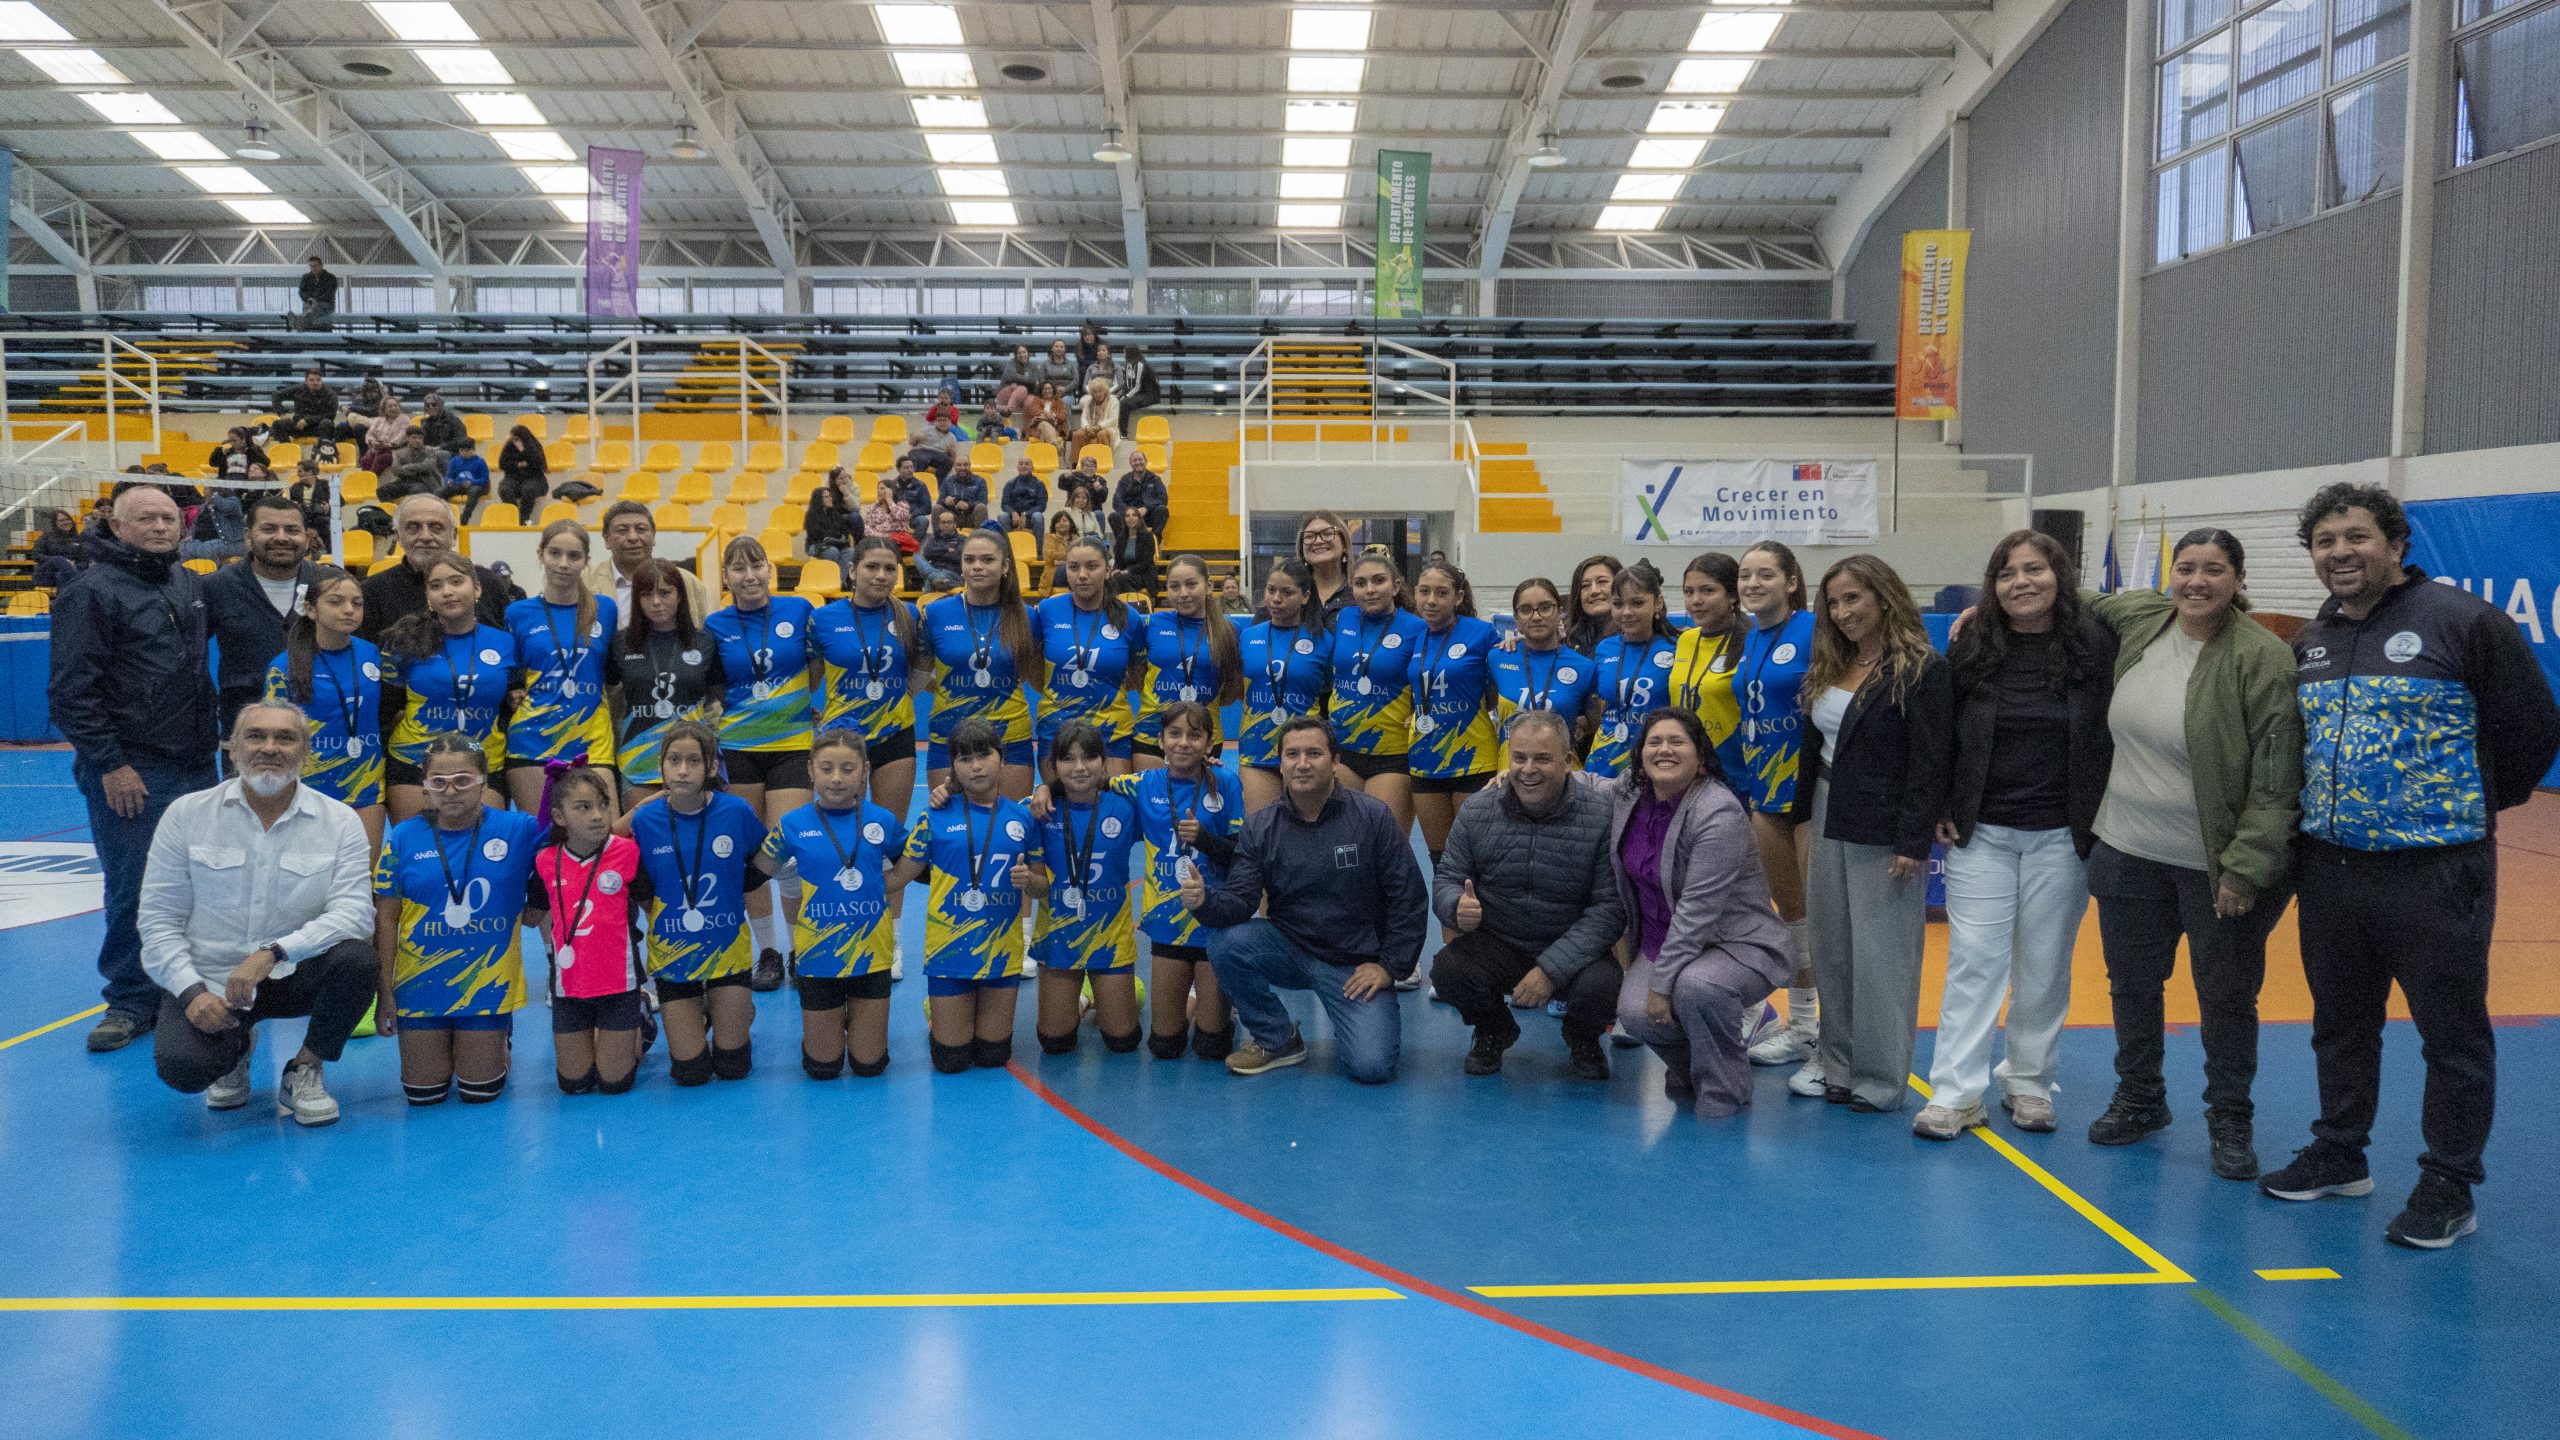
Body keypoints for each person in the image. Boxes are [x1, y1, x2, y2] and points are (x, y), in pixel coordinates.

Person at [2262, 484, 2560, 1248]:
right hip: (2331, 870)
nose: (2340, 553)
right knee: (2340, 1025)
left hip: (2437, 871)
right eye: (2325, 542)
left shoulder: (2463, 622)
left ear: (2396, 544)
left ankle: (2449, 1184)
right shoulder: (2313, 641)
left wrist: (2466, 803)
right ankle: (2339, 1152)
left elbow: (2532, 725)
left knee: (2451, 1035)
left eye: (2356, 537)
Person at [2079, 528, 2300, 1178]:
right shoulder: (2145, 618)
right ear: (2169, 575)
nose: (2196, 582)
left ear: (2237, 579)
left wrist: (2247, 865)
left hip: (2214, 867)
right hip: (2124, 850)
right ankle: (2141, 1097)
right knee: (2133, 984)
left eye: (2213, 570)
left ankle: (2230, 1118)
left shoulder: (2261, 657)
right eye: (2187, 568)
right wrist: (1987, 608)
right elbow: (2077, 598)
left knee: (2227, 995)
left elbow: (2277, 775)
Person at [1915, 531, 2117, 1141]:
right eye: (2006, 573)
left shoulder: (2097, 646)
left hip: (2062, 835)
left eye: (2035, 569)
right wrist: (1944, 804)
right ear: (1992, 586)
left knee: (2046, 963)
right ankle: (1954, 1093)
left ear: (2060, 576)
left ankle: (2029, 1080)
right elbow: (1945, 734)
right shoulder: (1970, 645)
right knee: (1975, 962)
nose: (2021, 582)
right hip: (1983, 833)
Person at [139, 701, 376, 1123]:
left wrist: (273, 952)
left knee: (358, 960)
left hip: (292, 973)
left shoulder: (340, 821)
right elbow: (157, 922)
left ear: (307, 752)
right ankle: (235, 1052)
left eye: (285, 738)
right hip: (212, 979)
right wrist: (191, 993)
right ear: (231, 749)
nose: (269, 747)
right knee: (185, 1068)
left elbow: (355, 913)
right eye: (255, 736)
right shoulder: (185, 815)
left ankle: (305, 1066)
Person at [48, 483, 221, 1052]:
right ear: (115, 527)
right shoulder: (88, 593)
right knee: (135, 886)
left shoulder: (186, 582)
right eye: (144, 518)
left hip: (196, 762)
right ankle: (129, 999)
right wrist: (110, 764)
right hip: (132, 768)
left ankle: (188, 986)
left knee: (200, 883)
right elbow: (72, 693)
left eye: (168, 518)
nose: (158, 527)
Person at [1791, 554, 1952, 1113]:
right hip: (1828, 807)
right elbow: (1815, 747)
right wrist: (1803, 815)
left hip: (1884, 821)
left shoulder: (1922, 669)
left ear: (1884, 596)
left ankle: (1880, 1080)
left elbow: (1931, 762)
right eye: (1833, 603)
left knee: (1883, 956)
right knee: (1831, 947)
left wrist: (1914, 841)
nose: (1843, 612)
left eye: (1853, 598)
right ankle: (1838, 1065)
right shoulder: (1831, 663)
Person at [1184, 715, 1425, 1083]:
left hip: (1353, 965)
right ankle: (1277, 1039)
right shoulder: (1262, 827)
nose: (1302, 763)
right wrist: (1205, 902)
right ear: (1280, 764)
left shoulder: (1372, 817)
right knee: (1227, 944)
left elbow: (1408, 897)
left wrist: (1389, 967)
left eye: (1314, 753)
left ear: (1335, 762)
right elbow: (1241, 901)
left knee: (1371, 1066)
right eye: (1292, 754)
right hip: (1291, 950)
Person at [1611, 708, 1795, 1117]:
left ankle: (1724, 1089)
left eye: (1677, 742)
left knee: (1697, 988)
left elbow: (1697, 912)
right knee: (1633, 1014)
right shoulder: (1630, 790)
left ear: (1700, 757)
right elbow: (1591, 785)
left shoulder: (1717, 811)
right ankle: (1698, 1067)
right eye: (1654, 742)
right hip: (1664, 938)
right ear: (1640, 753)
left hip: (1737, 942)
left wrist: (1661, 986)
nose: (1664, 750)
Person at [1432, 710, 1624, 1080]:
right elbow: (1447, 878)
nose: (1527, 769)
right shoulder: (1477, 810)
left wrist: (1551, 971)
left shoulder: (1601, 816)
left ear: (1568, 761)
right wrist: (1455, 906)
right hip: (1499, 942)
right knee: (1449, 970)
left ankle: (1582, 1036)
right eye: (1519, 758)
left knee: (1605, 988)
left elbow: (1609, 907)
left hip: (1569, 944)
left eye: (1542, 758)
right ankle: (1493, 1029)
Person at [372, 732, 545, 1106]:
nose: (451, 792)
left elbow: (579, 840)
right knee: (423, 1096)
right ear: (425, 786)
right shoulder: (403, 838)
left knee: (479, 1094)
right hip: (420, 986)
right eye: (439, 782)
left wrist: (537, 908)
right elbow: (386, 919)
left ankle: (501, 1033)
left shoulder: (519, 830)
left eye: (463, 780)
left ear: (484, 782)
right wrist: (384, 993)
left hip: (487, 986)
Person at [888, 718, 1041, 1072]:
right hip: (948, 953)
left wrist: (1029, 882)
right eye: (964, 758)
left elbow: (1043, 885)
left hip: (1001, 954)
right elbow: (900, 876)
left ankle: (956, 1013)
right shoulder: (935, 816)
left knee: (992, 1058)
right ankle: (940, 1012)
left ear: (1002, 759)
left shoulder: (1024, 817)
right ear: (953, 768)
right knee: (951, 1061)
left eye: (984, 755)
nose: (975, 766)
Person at [705, 535, 822, 991]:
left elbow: (812, 670)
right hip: (737, 749)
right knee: (752, 856)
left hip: (792, 744)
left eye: (757, 565)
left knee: (788, 851)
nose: (749, 575)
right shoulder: (715, 625)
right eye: (738, 568)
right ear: (727, 577)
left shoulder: (799, 611)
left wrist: (795, 707)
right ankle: (769, 951)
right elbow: (714, 690)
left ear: (769, 569)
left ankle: (798, 948)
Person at [624, 721, 770, 1084]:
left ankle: (734, 1008)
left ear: (711, 767)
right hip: (673, 954)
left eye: (693, 761)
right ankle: (686, 1008)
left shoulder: (735, 811)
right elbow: (627, 875)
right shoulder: (644, 819)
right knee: (690, 1074)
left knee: (733, 1068)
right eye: (674, 760)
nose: (683, 770)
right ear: (661, 765)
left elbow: (764, 862)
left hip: (727, 950)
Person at [754, 731, 901, 1079]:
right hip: (818, 956)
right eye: (827, 768)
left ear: (864, 771)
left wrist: (888, 883)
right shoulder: (791, 825)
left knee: (869, 1066)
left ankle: (859, 1022)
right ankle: (830, 1025)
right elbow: (757, 870)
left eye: (848, 768)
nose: (836, 778)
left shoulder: (881, 821)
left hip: (871, 953)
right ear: (810, 771)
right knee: (823, 1067)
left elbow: (916, 860)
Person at [1117, 701, 1245, 1060]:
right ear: (1160, 740)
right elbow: (1086, 783)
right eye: (1174, 734)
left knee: (1211, 1046)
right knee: (1165, 1046)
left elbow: (1240, 855)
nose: (1183, 743)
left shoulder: (1226, 783)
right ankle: (1195, 1002)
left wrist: (1204, 839)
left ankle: (1223, 1010)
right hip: (1167, 925)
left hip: (1213, 921)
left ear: (1209, 744)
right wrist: (1047, 789)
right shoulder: (1143, 783)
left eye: (1194, 735)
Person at [1735, 541, 1820, 1067]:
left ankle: (1829, 1036)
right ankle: (1804, 1025)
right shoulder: (1751, 639)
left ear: (1791, 581)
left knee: (1820, 919)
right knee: (1791, 917)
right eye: (1745, 575)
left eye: (1765, 574)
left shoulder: (1815, 628)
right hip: (1765, 793)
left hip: (1809, 794)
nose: (1752, 583)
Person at [524, 767, 649, 1095]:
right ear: (559, 816)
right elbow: (530, 917)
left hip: (620, 984)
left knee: (614, 1083)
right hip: (570, 986)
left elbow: (653, 906)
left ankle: (642, 1020)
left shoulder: (628, 853)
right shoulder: (545, 861)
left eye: (603, 805)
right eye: (583, 807)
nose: (598, 816)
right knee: (574, 1084)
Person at [1025, 723, 1144, 1054]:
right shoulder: (1039, 809)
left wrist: (1210, 768)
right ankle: (1086, 997)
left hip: (1111, 936)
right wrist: (946, 790)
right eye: (1068, 759)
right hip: (1059, 935)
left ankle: (1125, 990)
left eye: (1089, 757)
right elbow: (989, 805)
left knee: (1123, 1041)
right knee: (1054, 1041)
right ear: (1054, 765)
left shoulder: (1126, 806)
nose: (1079, 767)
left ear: (1104, 762)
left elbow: (1172, 786)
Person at [380, 552, 516, 824]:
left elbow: (513, 700)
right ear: (428, 596)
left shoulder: (506, 642)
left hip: (485, 762)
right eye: (436, 585)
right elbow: (386, 708)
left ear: (476, 588)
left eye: (456, 581)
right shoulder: (405, 642)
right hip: (414, 762)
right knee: (419, 857)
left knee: (481, 856)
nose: (447, 592)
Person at [264, 566, 387, 856]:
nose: (349, 610)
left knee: (360, 879)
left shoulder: (372, 654)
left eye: (357, 603)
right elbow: (271, 734)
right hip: (307, 789)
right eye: (335, 602)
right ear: (310, 608)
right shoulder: (283, 667)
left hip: (365, 784)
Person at [502, 521, 619, 813]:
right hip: (532, 741)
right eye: (555, 553)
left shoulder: (604, 609)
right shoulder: (518, 613)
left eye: (574, 556)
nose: (563, 564)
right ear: (541, 555)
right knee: (542, 843)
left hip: (593, 742)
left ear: (586, 562)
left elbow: (612, 674)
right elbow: (511, 677)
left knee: (604, 839)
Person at [920, 530, 1044, 799]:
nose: (977, 566)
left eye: (987, 560)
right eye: (970, 559)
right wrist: (944, 686)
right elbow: (918, 675)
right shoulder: (936, 613)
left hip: (1010, 736)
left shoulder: (1027, 617)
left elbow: (1035, 678)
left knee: (1008, 828)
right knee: (953, 830)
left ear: (1005, 566)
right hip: (949, 735)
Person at [1406, 560, 1502, 876]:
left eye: (1441, 592)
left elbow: (1500, 686)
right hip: (1425, 760)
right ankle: (1451, 927)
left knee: (1476, 864)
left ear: (1458, 597)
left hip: (1473, 760)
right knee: (1442, 866)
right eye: (1424, 591)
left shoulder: (1482, 633)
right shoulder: (1414, 635)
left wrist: (1513, 646)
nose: (1431, 600)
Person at [1328, 550, 1427, 842]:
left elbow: (1436, 668)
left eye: (1378, 581)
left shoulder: (1417, 627)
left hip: (1392, 752)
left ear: (1395, 586)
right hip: (1343, 748)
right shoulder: (1344, 617)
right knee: (1342, 845)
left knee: (1385, 846)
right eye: (1360, 583)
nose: (1369, 589)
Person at [201, 494, 317, 738]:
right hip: (244, 730)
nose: (281, 538)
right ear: (247, 536)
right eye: (269, 529)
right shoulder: (215, 587)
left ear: (306, 538)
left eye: (292, 530)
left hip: (320, 726)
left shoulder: (330, 584)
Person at [610, 558, 723, 799]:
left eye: (665, 593)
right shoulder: (621, 643)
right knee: (641, 833)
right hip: (637, 760)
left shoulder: (704, 642)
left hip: (691, 759)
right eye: (646, 594)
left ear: (680, 595)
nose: (656, 602)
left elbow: (717, 698)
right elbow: (609, 693)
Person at [1034, 537, 1142, 772]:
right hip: (1056, 729)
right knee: (1059, 807)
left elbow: (1139, 676)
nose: (1082, 575)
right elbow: (1031, 669)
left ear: (1107, 569)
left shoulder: (1129, 617)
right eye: (1073, 567)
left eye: (1092, 566)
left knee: (1113, 807)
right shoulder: (1046, 611)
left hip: (1112, 731)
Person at [1239, 559, 1335, 816]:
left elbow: (1331, 694)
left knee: (1310, 832)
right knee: (1261, 834)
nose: (1276, 599)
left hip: (1306, 752)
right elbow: (1240, 687)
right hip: (1256, 748)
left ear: (1305, 597)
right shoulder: (1248, 637)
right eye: (1271, 590)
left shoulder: (1324, 641)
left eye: (1286, 592)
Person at [357, 494, 517, 642]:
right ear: (398, 536)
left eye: (436, 527)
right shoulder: (372, 592)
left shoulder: (488, 583)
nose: (425, 536)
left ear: (454, 535)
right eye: (413, 528)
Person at [1134, 555, 1243, 764]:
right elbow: (1138, 676)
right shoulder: (1151, 624)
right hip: (1151, 734)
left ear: (1209, 586)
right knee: (1151, 797)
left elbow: (1232, 686)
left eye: (1191, 584)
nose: (1183, 593)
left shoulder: (1230, 630)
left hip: (1202, 738)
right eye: (1174, 586)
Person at [1489, 576, 1596, 768]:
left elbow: (1597, 726)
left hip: (1565, 778)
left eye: (1545, 607)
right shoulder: (1497, 658)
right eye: (1526, 610)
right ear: (1516, 619)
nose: (1536, 617)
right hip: (1510, 775)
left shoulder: (1584, 667)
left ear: (1560, 614)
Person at [1587, 562, 1677, 780]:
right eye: (1618, 604)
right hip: (1603, 762)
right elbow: (1595, 708)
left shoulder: (1678, 648)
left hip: (1655, 762)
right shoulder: (1604, 648)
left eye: (1637, 603)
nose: (1626, 612)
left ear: (1658, 603)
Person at [1668, 553, 1750, 781]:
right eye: (1688, 592)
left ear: (1732, 595)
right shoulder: (1685, 640)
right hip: (1685, 769)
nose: (1696, 600)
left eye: (1707, 591)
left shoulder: (1751, 641)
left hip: (1733, 771)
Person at [586, 500, 710, 630]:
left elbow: (700, 636)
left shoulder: (687, 581)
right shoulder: (585, 583)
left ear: (654, 536)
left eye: (641, 529)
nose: (633, 537)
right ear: (607, 539)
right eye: (622, 530)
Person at [1297, 510, 1356, 624]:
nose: (1318, 541)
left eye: (1328, 533)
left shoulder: (1362, 591)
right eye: (1309, 536)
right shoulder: (1289, 591)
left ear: (1344, 544)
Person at [1564, 554, 1623, 656]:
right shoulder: (1567, 640)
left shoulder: (1635, 636)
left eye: (1602, 581)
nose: (1594, 591)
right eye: (1585, 586)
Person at [272, 368, 345, 446]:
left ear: (322, 381)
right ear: (306, 381)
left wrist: (308, 420)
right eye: (311, 380)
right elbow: (276, 395)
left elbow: (330, 416)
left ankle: (323, 452)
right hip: (299, 426)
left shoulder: (330, 394)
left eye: (318, 380)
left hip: (318, 427)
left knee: (327, 423)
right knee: (278, 424)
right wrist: (281, 413)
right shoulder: (298, 389)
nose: (315, 382)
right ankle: (288, 449)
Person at [380, 428, 450, 504]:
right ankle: (393, 512)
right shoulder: (400, 453)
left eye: (420, 438)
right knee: (382, 491)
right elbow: (396, 470)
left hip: (425, 482)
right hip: (405, 481)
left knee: (416, 490)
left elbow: (428, 466)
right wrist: (415, 472)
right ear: (408, 438)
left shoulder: (429, 451)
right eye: (414, 437)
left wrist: (409, 466)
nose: (417, 440)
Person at [805, 473, 859, 570]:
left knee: (849, 552)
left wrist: (836, 536)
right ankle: (827, 578)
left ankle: (839, 581)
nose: (830, 498)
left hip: (835, 544)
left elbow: (844, 531)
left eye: (830, 496)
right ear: (819, 500)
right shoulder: (811, 515)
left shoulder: (834, 513)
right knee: (833, 552)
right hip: (817, 545)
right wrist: (836, 535)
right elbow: (818, 535)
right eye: (826, 497)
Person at [1112, 449, 1169, 539]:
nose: (1138, 462)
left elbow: (1163, 498)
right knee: (1113, 516)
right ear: (1131, 464)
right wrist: (1129, 512)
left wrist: (1146, 508)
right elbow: (1116, 500)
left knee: (1162, 510)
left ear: (1145, 461)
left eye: (1140, 459)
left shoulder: (1155, 479)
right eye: (1134, 460)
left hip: (1149, 516)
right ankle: (1123, 544)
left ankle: (1153, 541)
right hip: (1129, 517)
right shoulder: (1124, 479)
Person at [496, 424, 549, 518]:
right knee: (504, 489)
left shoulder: (534, 446)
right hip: (513, 478)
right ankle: (514, 515)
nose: (514, 441)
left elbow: (537, 464)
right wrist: (520, 464)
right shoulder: (509, 446)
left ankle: (523, 518)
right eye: (513, 439)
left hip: (535, 478)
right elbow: (503, 464)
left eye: (517, 439)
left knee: (528, 489)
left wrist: (523, 450)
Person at [863, 476, 917, 559]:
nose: (878, 491)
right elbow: (867, 527)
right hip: (878, 539)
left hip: (897, 541)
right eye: (878, 489)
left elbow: (899, 516)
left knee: (890, 545)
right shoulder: (873, 508)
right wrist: (880, 535)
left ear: (891, 491)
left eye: (882, 489)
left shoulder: (902, 504)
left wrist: (889, 500)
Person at [33, 507, 86, 590]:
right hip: (47, 575)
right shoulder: (46, 537)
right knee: (59, 559)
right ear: (55, 523)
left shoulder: (78, 539)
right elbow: (36, 555)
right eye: (61, 521)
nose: (66, 522)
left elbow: (84, 561)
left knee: (61, 575)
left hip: (66, 574)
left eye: (68, 519)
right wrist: (63, 562)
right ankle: (81, 587)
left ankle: (62, 602)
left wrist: (74, 565)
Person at [916, 508, 966, 591]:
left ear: (955, 524)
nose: (946, 525)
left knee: (931, 578)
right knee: (917, 556)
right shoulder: (934, 539)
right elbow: (927, 554)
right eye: (943, 522)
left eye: (949, 522)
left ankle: (933, 577)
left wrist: (937, 554)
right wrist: (946, 549)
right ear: (939, 525)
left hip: (952, 573)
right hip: (936, 569)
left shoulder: (962, 539)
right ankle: (936, 576)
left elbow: (958, 557)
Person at [1069, 376, 1120, 457]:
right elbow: (1084, 418)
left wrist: (1099, 427)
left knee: (1102, 434)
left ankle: (1102, 460)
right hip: (1091, 428)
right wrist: (1087, 428)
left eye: (1100, 391)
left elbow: (1113, 420)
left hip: (1108, 429)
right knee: (1077, 434)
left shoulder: (1114, 401)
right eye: (1095, 392)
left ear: (1105, 391)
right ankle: (1076, 463)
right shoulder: (1089, 402)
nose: (1098, 394)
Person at [441, 437, 490, 521]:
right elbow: (449, 476)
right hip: (459, 484)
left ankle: (465, 516)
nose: (464, 453)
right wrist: (449, 481)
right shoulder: (454, 461)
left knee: (473, 491)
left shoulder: (480, 462)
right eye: (461, 451)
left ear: (473, 450)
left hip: (477, 486)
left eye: (467, 451)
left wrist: (472, 482)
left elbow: (484, 479)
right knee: (439, 491)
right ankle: (442, 515)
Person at [1116, 345, 1160, 435]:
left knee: (1124, 403)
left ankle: (1123, 433)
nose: (1123, 354)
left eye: (1124, 352)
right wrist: (1121, 395)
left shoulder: (1141, 365)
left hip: (1148, 394)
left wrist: (1126, 396)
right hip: (1137, 393)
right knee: (1115, 401)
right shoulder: (1128, 364)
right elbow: (1127, 384)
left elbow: (1137, 386)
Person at [359, 398, 409, 476]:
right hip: (378, 449)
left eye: (396, 405)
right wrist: (373, 442)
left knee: (382, 458)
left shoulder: (405, 420)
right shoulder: (379, 420)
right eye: (390, 406)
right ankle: (366, 480)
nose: (393, 408)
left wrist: (386, 445)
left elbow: (400, 437)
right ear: (384, 409)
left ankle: (371, 480)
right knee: (365, 460)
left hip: (397, 450)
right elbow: (369, 434)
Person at [999, 458, 1048, 536]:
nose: (1023, 466)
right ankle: (1008, 546)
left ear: (1032, 468)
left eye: (1027, 464)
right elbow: (1004, 504)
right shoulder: (1010, 484)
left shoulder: (1039, 484)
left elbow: (1041, 506)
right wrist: (1013, 512)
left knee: (1038, 516)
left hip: (1030, 517)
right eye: (1021, 464)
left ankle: (1038, 548)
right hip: (1014, 518)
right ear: (1017, 467)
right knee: (1002, 516)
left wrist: (1026, 514)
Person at [288, 256, 340, 331]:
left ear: (321, 265)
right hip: (309, 304)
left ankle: (299, 322)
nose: (313, 268)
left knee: (317, 308)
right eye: (311, 266)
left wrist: (316, 300)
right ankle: (302, 322)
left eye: (315, 266)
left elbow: (330, 293)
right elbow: (301, 292)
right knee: (309, 307)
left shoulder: (331, 277)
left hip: (325, 305)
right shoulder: (306, 277)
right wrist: (308, 299)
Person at [940, 457, 990, 529]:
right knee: (937, 508)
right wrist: (945, 501)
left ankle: (981, 537)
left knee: (981, 507)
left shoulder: (980, 481)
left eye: (965, 465)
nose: (962, 467)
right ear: (954, 466)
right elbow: (940, 501)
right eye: (959, 465)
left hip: (972, 517)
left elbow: (983, 501)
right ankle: (939, 538)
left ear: (970, 465)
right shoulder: (947, 481)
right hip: (953, 518)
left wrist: (968, 505)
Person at [881, 455, 935, 520]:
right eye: (906, 468)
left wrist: (912, 515)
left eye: (911, 467)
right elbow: (886, 505)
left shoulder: (921, 485)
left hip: (913, 517)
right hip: (896, 517)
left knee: (922, 520)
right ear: (898, 469)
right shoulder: (892, 485)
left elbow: (927, 507)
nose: (910, 470)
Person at [995, 344, 1038, 419]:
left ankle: (1027, 428)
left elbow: (1033, 381)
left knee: (1030, 401)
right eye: (1019, 353)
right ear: (1015, 355)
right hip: (1006, 393)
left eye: (1024, 352)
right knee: (1022, 389)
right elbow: (1011, 376)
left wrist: (1017, 380)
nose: (1022, 355)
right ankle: (1008, 410)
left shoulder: (1033, 366)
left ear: (1028, 353)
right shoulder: (1011, 363)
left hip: (1025, 395)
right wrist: (1027, 379)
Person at [1038, 510, 1077, 590]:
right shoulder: (1050, 538)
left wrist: (1062, 560)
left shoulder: (1076, 539)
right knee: (1067, 568)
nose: (1061, 523)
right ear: (1054, 525)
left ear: (1071, 523)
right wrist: (1070, 556)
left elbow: (1081, 555)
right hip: (1054, 573)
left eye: (1064, 521)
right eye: (1058, 522)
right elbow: (1049, 556)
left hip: (1074, 569)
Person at [1025, 380, 1069, 447]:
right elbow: (1034, 411)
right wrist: (1048, 416)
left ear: (1053, 390)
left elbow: (1063, 416)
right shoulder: (1036, 400)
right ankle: (1056, 447)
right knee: (1044, 424)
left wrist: (1053, 415)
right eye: (1045, 389)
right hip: (1037, 429)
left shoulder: (1059, 401)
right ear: (1041, 391)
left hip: (1055, 429)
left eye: (1049, 388)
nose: (1047, 391)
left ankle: (1051, 448)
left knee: (1044, 430)